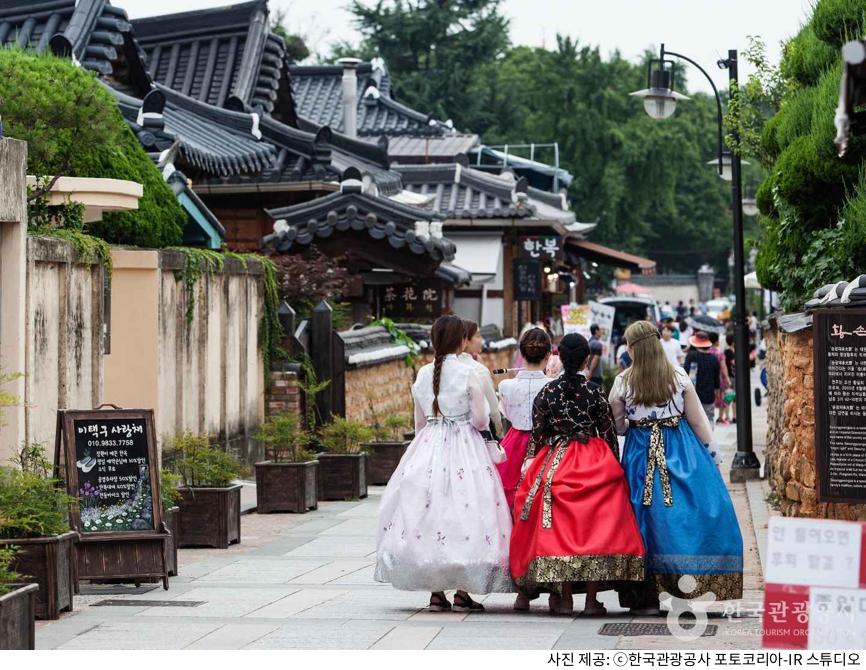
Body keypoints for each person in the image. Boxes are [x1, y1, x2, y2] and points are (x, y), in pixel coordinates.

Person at [375, 315, 513, 611]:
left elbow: (420, 421)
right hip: (465, 447)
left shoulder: (423, 375)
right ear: (462, 341)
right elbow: (479, 419)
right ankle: (463, 589)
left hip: (429, 446)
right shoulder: (469, 373)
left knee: (432, 513)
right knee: (466, 513)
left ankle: (437, 591)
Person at [609, 321, 743, 614]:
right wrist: (713, 456)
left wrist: (637, 422)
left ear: (631, 349)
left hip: (640, 454)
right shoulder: (679, 377)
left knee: (644, 516)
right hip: (682, 450)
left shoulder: (623, 382)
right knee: (685, 515)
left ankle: (645, 594)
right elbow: (697, 421)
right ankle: (691, 587)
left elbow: (618, 426)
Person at [510, 333, 645, 615]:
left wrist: (531, 465)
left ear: (560, 358)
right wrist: (614, 467)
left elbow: (538, 434)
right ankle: (592, 601)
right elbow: (608, 434)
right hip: (593, 459)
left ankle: (565, 598)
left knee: (561, 528)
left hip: (557, 458)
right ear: (586, 359)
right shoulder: (595, 392)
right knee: (596, 526)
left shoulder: (547, 393)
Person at [497, 328, 552, 510]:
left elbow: (505, 413)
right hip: (545, 444)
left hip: (514, 443)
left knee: (510, 500)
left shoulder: (505, 385)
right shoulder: (553, 386)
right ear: (548, 355)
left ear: (521, 353)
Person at [459, 320, 503, 439]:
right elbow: (491, 401)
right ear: (465, 341)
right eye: (478, 336)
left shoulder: (442, 366)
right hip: (478, 430)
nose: (481, 340)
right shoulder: (477, 367)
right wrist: (499, 427)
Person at [683, 332, 721, 427]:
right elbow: (717, 380)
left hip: (693, 396)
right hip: (709, 396)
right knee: (709, 419)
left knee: (693, 422)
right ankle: (708, 440)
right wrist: (717, 392)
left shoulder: (691, 356)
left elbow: (685, 374)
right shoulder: (714, 359)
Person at [707, 332, 731, 425]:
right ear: (717, 341)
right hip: (719, 378)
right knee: (721, 397)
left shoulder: (706, 351)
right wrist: (727, 378)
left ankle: (709, 415)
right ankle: (720, 417)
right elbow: (723, 367)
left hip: (708, 377)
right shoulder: (719, 352)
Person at [722, 334, 737, 424]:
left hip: (735, 377)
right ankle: (727, 416)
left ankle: (734, 416)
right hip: (730, 377)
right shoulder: (728, 352)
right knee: (729, 397)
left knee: (735, 398)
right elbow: (734, 363)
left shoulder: (735, 350)